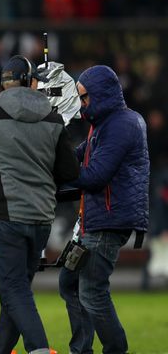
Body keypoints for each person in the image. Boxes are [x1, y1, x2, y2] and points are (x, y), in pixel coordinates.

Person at [0, 55, 79, 354]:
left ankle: (39, 349)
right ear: (31, 82)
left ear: (4, 83)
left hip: (8, 215)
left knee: (13, 291)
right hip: (41, 218)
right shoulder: (53, 118)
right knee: (16, 294)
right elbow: (69, 173)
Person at [58, 65, 149, 354]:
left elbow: (94, 177)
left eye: (84, 98)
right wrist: (52, 137)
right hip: (97, 219)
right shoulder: (105, 125)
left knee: (92, 292)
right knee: (69, 284)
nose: (82, 105)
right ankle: (82, 350)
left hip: (107, 221)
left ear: (100, 95)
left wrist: (56, 160)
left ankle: (115, 350)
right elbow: (73, 160)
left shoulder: (122, 124)